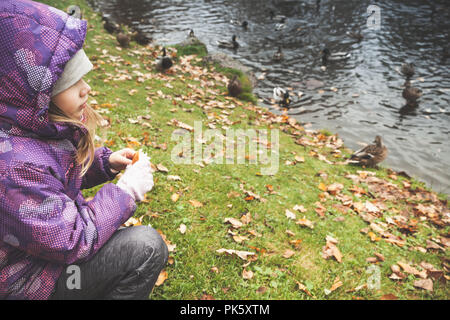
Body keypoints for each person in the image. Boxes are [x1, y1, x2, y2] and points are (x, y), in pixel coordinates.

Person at [0, 0, 168, 300]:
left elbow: (51, 175)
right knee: (144, 247)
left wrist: (106, 164)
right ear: (32, 92)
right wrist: (126, 192)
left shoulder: (26, 127)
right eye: (70, 80)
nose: (85, 88)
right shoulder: (12, 167)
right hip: (29, 283)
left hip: (37, 259)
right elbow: (71, 239)